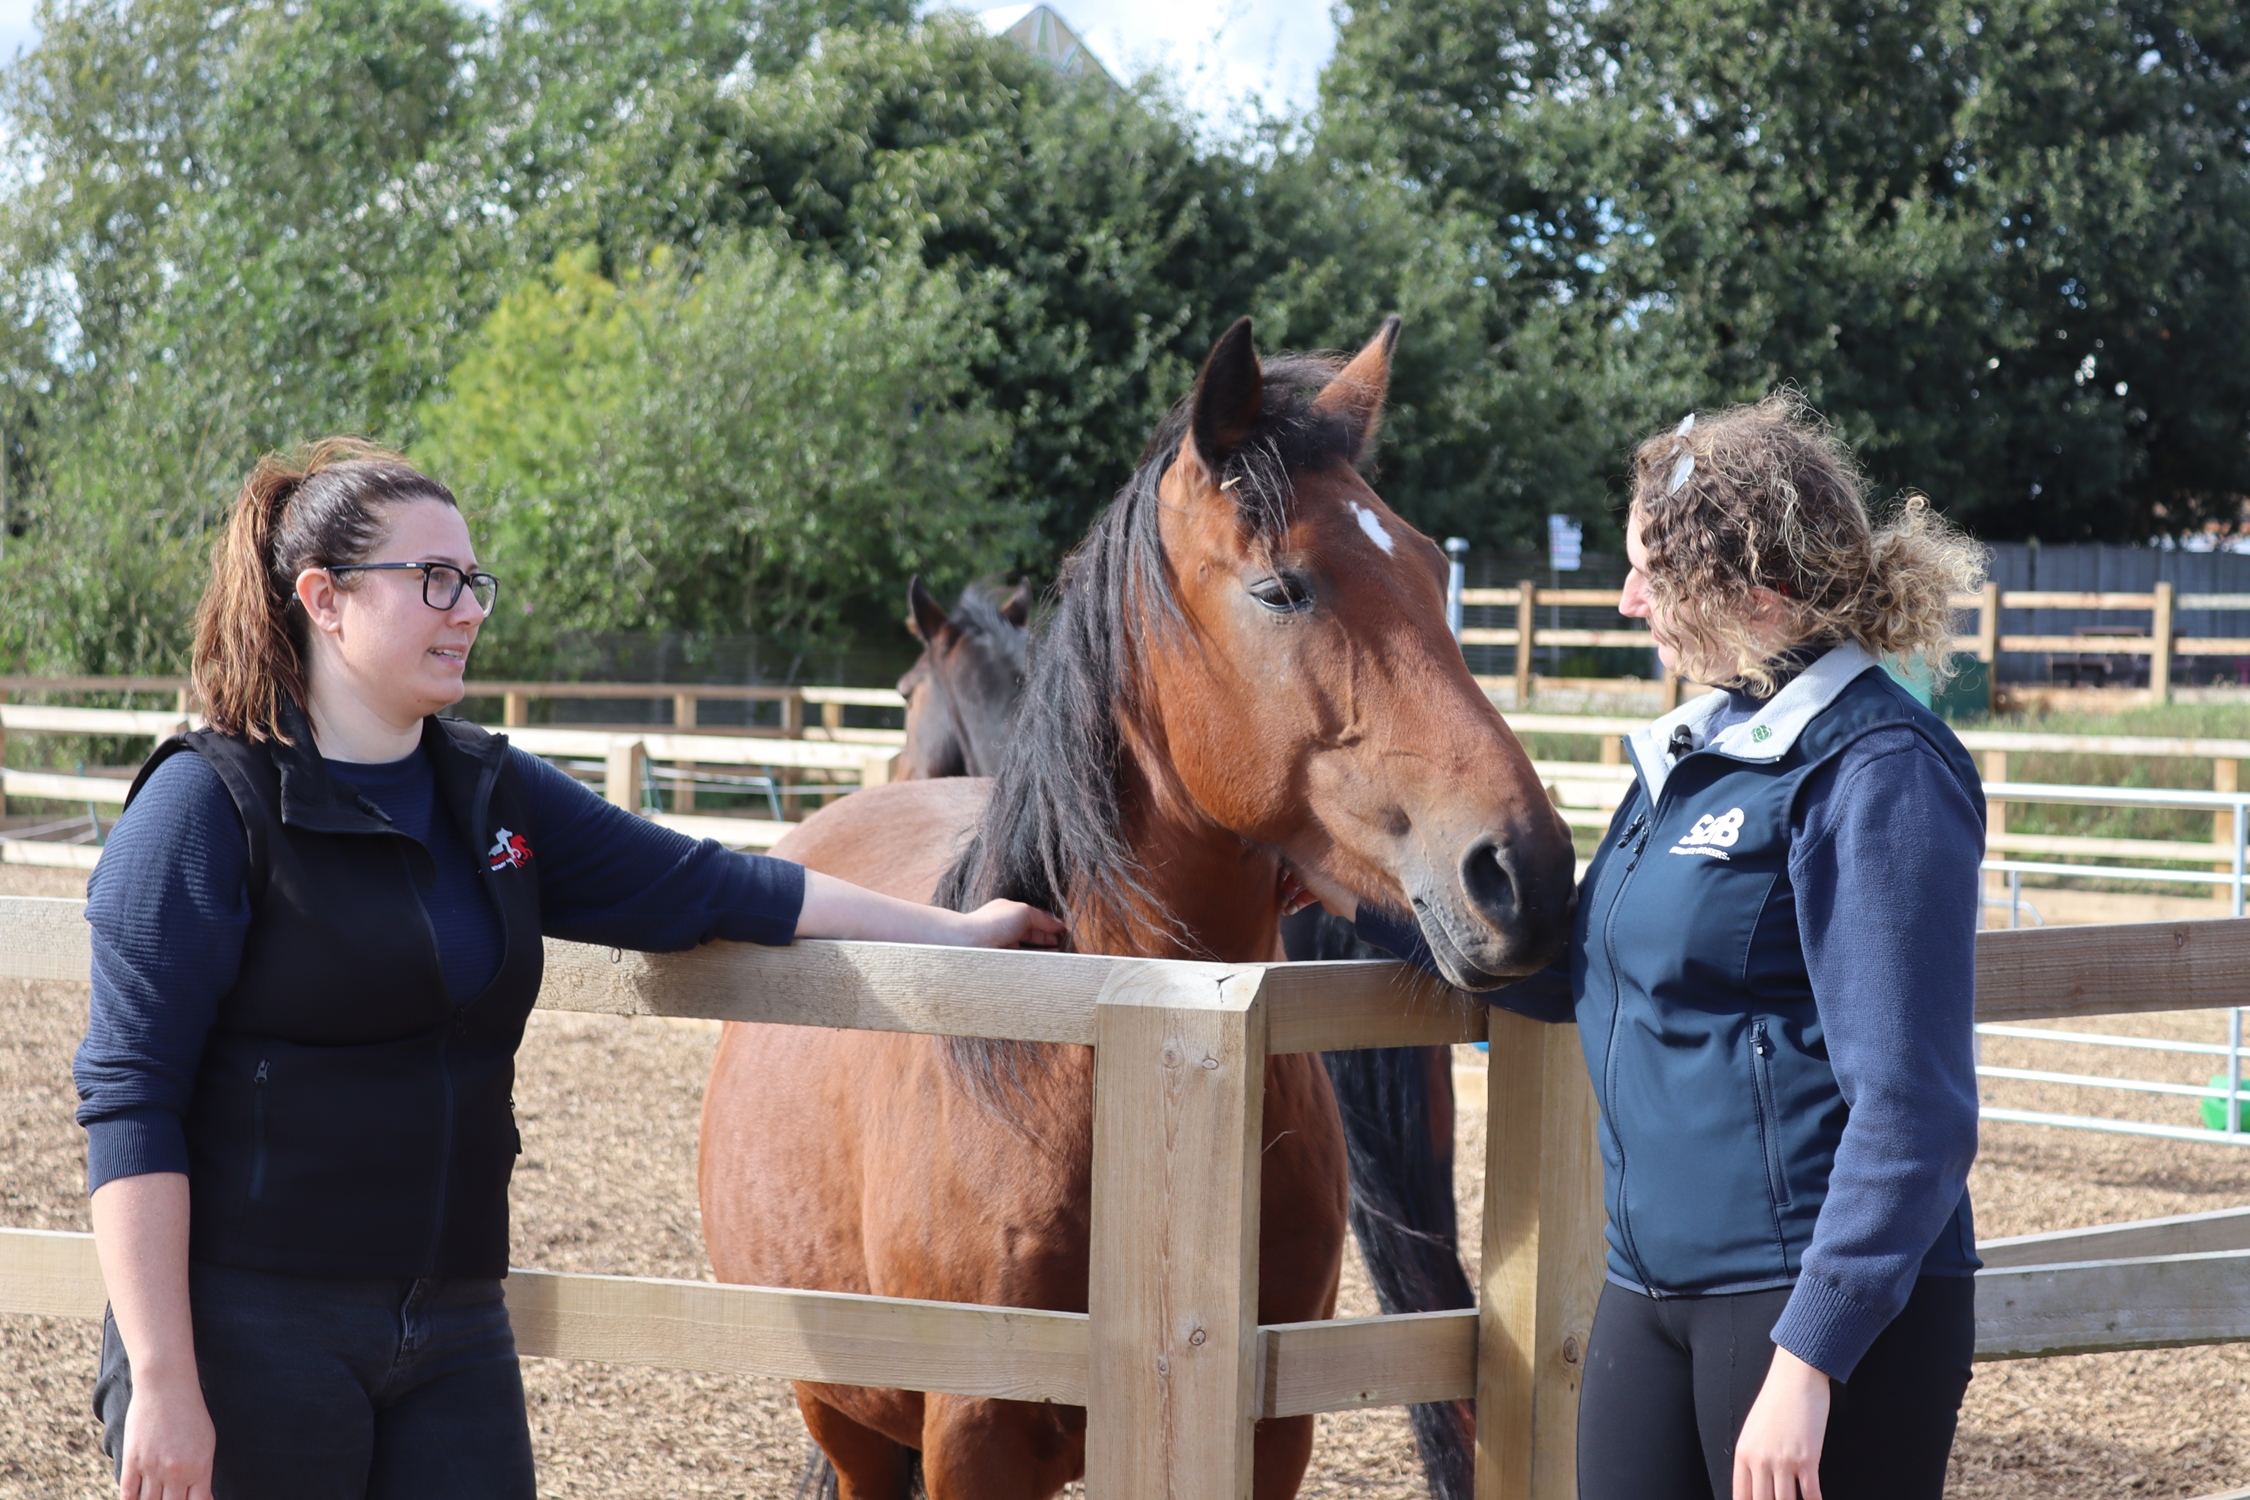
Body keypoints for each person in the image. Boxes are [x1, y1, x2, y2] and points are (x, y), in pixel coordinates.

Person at [73, 439, 1063, 1500]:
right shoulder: (203, 809)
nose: (467, 610)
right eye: (433, 581)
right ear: (324, 598)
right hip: (250, 1322)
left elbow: (715, 884)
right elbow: (132, 1100)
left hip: (452, 1323)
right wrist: (167, 1380)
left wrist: (951, 934)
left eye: (474, 582)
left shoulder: (491, 793)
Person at [1347, 394, 1987, 1500]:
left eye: (1651, 569)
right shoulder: (1700, 753)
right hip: (1649, 1290)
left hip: (1809, 1311)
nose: (1627, 596)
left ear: (1751, 585)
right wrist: (1353, 886)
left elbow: (1915, 1110)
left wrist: (1811, 1359)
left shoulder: (1878, 771)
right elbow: (1588, 970)